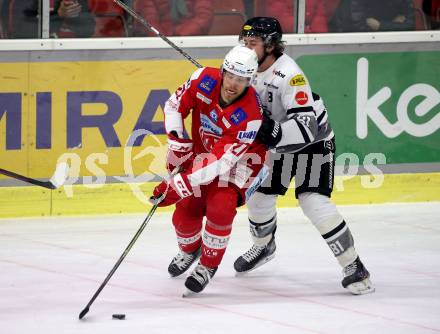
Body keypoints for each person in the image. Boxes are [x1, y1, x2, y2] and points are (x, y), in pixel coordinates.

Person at [234, 17, 375, 295]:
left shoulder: (290, 76)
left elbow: (306, 127)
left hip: (313, 144)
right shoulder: (246, 65)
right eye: (245, 42)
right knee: (259, 195)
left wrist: (269, 129)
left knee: (313, 201)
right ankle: (263, 247)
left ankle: (353, 265)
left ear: (271, 46)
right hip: (279, 146)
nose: (248, 48)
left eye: (254, 43)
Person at [150, 45, 268, 295]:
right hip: (205, 155)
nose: (233, 84)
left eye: (242, 79)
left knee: (220, 206)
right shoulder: (202, 78)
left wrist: (178, 184)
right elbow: (174, 107)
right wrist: (177, 140)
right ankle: (191, 249)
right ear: (223, 71)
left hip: (242, 163)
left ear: (250, 80)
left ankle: (207, 265)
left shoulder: (250, 114)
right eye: (231, 75)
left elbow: (220, 162)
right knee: (185, 211)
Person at [2, 0, 95, 38]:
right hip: (30, 61)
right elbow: (20, 32)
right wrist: (58, 16)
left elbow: (88, 30)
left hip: (72, 59)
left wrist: (74, 15)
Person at [133, 0, 213, 36]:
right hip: (160, 43)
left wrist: (180, 35)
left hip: (191, 41)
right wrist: (165, 39)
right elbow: (149, 20)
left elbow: (204, 16)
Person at [329, 0, 415, 32]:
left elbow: (410, 25)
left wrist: (381, 26)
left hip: (385, 45)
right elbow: (359, 29)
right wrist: (394, 25)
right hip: (345, 43)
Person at [254, 0, 328, 33]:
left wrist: (319, 34)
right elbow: (281, 16)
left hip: (308, 35)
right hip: (280, 37)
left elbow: (320, 15)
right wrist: (306, 33)